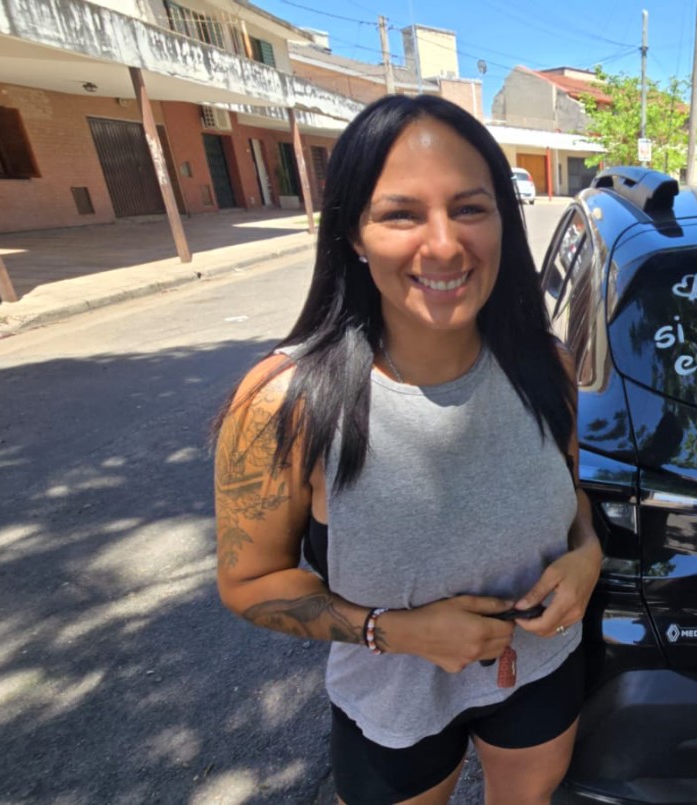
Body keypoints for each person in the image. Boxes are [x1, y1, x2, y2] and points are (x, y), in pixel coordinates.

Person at [213, 94, 601, 805]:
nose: (446, 244)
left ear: (503, 222)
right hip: (389, 707)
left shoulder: (547, 364)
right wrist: (392, 631)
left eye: (470, 208)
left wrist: (587, 554)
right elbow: (248, 582)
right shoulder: (285, 401)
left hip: (542, 673)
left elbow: (569, 492)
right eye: (401, 214)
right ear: (354, 235)